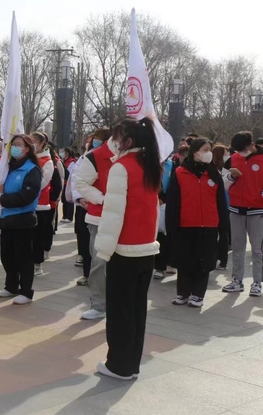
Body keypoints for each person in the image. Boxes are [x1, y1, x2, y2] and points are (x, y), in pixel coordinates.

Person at [94, 117, 162, 381]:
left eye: (117, 138)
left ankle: (119, 365)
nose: (113, 143)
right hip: (146, 248)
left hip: (124, 249)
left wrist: (104, 250)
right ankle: (131, 363)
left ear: (128, 141)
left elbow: (113, 215)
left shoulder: (122, 167)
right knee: (136, 310)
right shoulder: (150, 166)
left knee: (120, 311)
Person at [166, 137, 229, 308]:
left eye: (209, 149)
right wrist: (172, 225)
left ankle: (198, 294)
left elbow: (221, 202)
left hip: (209, 224)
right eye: (205, 150)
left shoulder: (214, 174)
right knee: (185, 260)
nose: (208, 153)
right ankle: (183, 293)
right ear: (195, 152)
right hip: (185, 224)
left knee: (204, 261)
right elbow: (173, 201)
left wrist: (223, 226)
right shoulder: (180, 172)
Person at [0, 134, 43, 305]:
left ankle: (26, 291)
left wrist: (4, 200)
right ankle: (11, 286)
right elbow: (0, 188)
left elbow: (27, 196)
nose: (15, 147)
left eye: (18, 145)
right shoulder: (9, 168)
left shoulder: (32, 170)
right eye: (13, 144)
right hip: (7, 219)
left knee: (24, 257)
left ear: (28, 149)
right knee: (8, 256)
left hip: (23, 220)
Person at [74, 126, 116, 320]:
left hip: (128, 219)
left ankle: (119, 303)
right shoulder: (94, 156)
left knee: (123, 264)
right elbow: (81, 183)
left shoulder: (136, 156)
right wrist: (103, 199)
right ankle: (99, 305)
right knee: (99, 262)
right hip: (100, 218)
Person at [222, 131, 263, 296]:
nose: (241, 153)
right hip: (236, 208)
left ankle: (257, 283)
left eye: (243, 149)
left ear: (251, 145)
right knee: (237, 247)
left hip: (257, 210)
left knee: (257, 249)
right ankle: (237, 280)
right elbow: (223, 185)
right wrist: (231, 177)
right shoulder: (232, 160)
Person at [67, 137, 93, 286]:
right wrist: (79, 197)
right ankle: (87, 273)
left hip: (101, 208)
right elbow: (76, 178)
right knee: (85, 240)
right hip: (84, 206)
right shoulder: (85, 158)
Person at [32, 132, 55, 276]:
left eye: (34, 141)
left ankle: (37, 263)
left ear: (41, 144)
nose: (32, 144)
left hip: (40, 204)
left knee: (38, 237)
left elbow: (42, 183)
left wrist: (26, 187)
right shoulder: (27, 159)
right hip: (25, 204)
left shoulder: (47, 161)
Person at [212, 144, 230, 270]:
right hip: (214, 205)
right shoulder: (212, 170)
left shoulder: (226, 170)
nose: (227, 156)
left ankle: (223, 260)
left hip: (226, 205)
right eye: (225, 153)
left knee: (224, 234)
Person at [60, 147, 76, 222]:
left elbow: (69, 174)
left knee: (69, 200)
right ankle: (64, 215)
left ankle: (69, 217)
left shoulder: (72, 162)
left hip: (68, 184)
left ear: (67, 153)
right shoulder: (63, 161)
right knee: (64, 200)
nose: (61, 153)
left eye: (63, 152)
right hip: (64, 183)